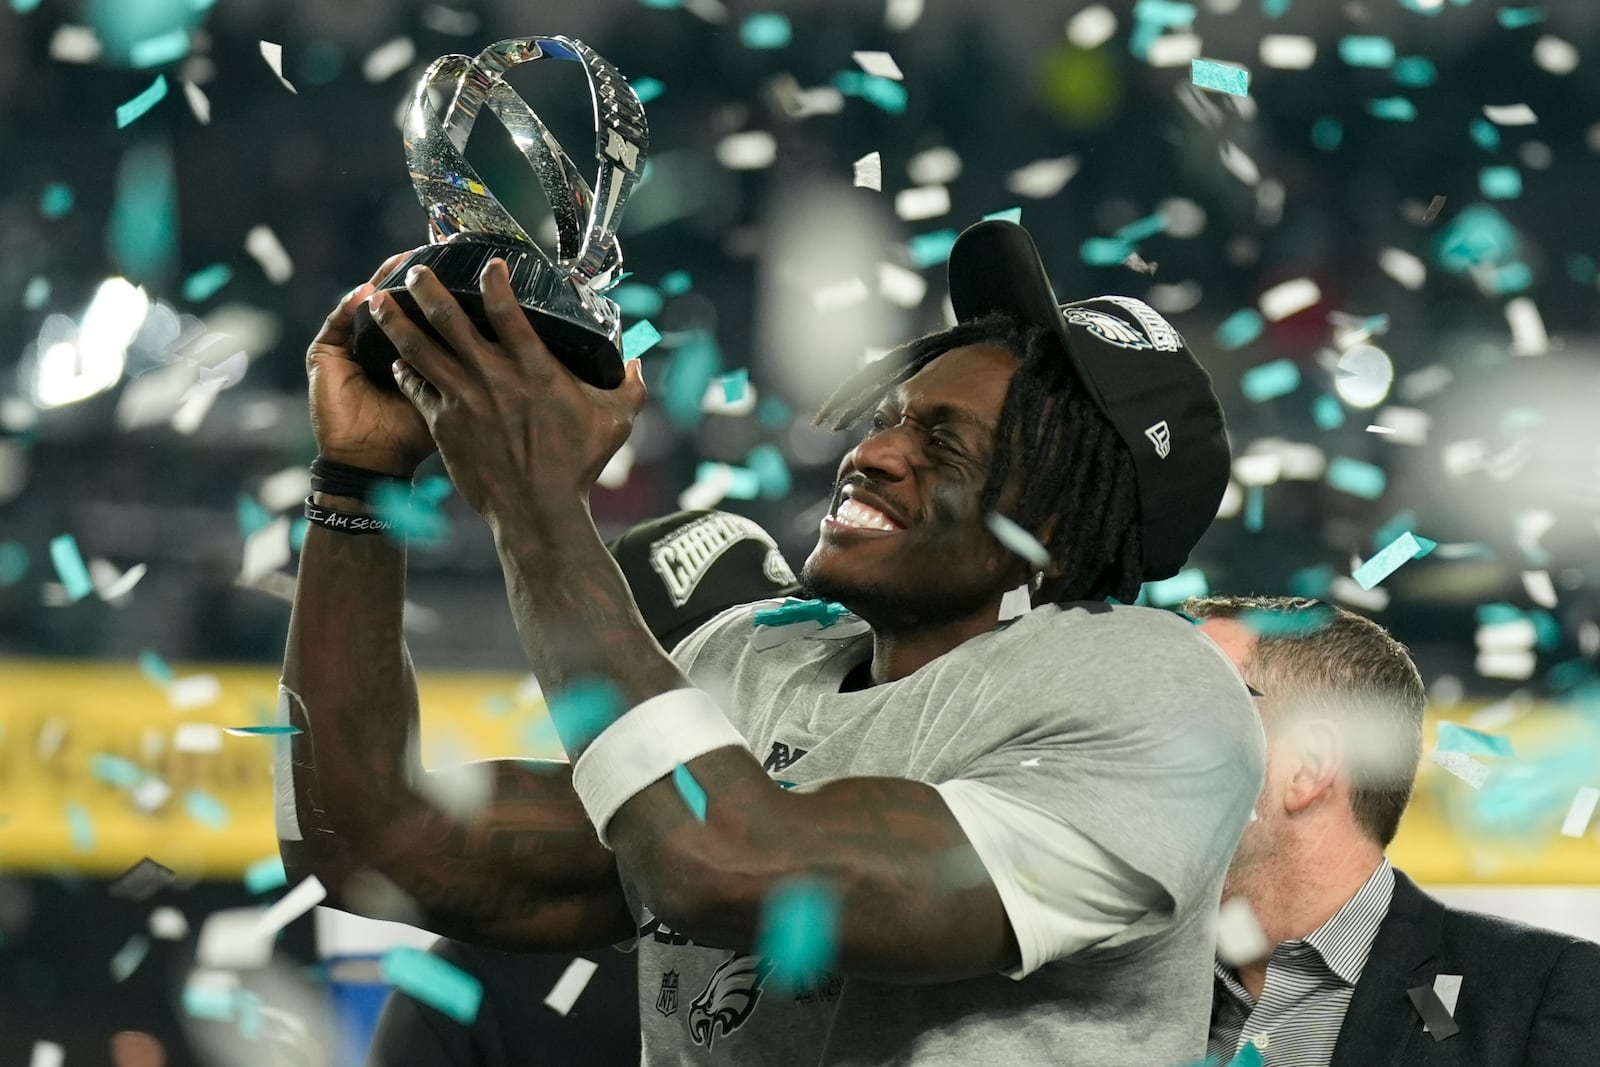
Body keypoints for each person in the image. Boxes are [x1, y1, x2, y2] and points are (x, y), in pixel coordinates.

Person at [277, 218, 1265, 1065]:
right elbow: (378, 838)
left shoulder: (1160, 700)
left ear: (1056, 529)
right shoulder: (756, 654)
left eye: (942, 445)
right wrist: (357, 486)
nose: (872, 453)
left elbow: (723, 864)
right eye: (889, 420)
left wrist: (536, 507)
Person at [366, 508, 800, 1065]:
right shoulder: (479, 985)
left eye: (796, 654)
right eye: (724, 663)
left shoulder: (876, 888)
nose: (784, 690)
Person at [1187, 594, 1600, 1067]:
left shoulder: (1539, 995)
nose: (1127, 751)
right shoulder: (1114, 990)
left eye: (1183, 718)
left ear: (1306, 768)